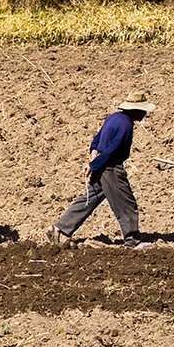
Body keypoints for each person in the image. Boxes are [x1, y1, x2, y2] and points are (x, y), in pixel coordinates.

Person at [46, 92, 157, 249]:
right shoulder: (126, 125)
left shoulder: (113, 117)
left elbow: (97, 138)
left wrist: (94, 153)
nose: (144, 114)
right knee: (126, 203)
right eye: (142, 110)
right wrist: (93, 165)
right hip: (110, 168)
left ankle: (59, 228)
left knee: (90, 199)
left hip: (101, 163)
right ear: (134, 110)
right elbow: (112, 149)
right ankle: (133, 240)